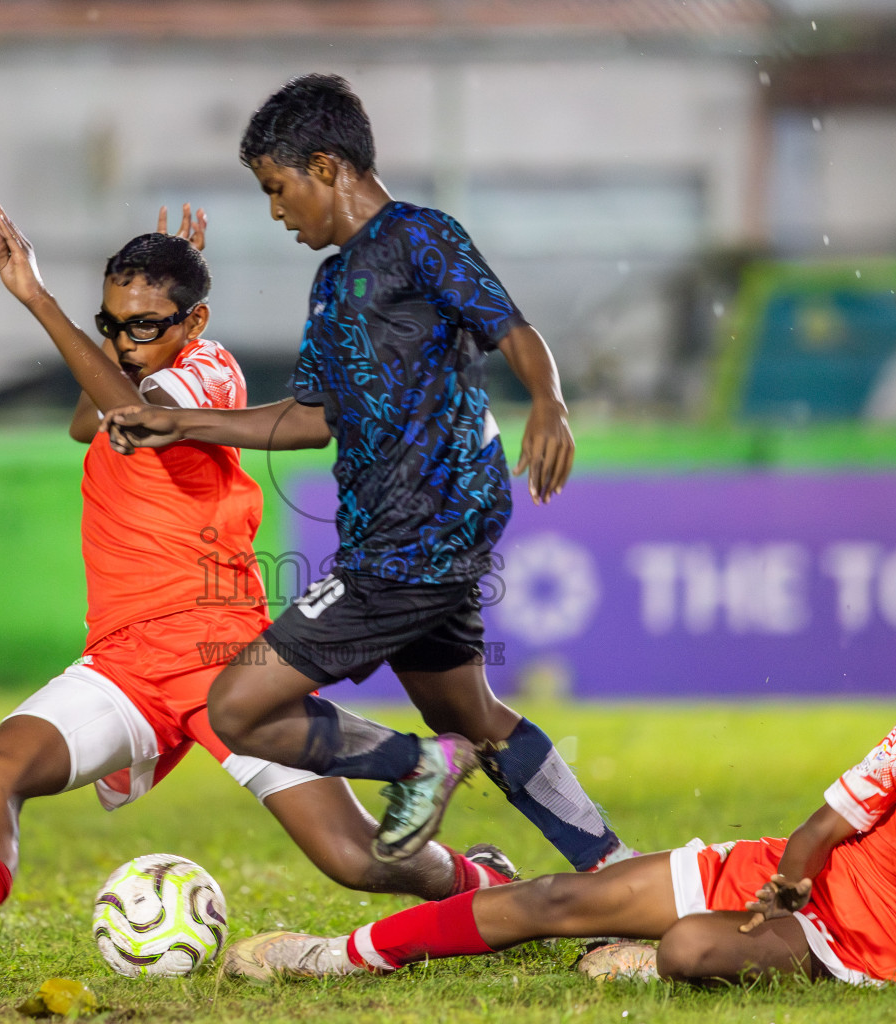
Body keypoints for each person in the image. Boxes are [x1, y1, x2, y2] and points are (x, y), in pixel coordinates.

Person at [0, 201, 518, 997]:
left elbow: (130, 410)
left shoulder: (211, 370)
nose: (123, 340)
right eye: (112, 322)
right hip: (124, 663)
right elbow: (93, 419)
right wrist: (140, 334)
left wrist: (41, 301)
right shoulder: (140, 364)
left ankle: (478, 882)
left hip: (218, 658)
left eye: (146, 325)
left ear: (198, 322)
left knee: (356, 860)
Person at [107, 74, 630, 872]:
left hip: (412, 540)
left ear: (326, 166)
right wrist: (177, 422)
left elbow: (512, 328)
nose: (277, 212)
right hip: (410, 540)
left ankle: (419, 764)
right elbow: (313, 417)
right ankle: (616, 867)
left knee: (240, 707)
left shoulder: (422, 236)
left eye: (278, 190)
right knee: (473, 713)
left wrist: (550, 401)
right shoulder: (329, 285)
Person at [221, 594, 896, 988]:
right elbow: (821, 828)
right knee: (558, 896)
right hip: (789, 885)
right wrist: (786, 885)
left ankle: (649, 955)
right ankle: (335, 956)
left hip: (871, 957)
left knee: (690, 952)